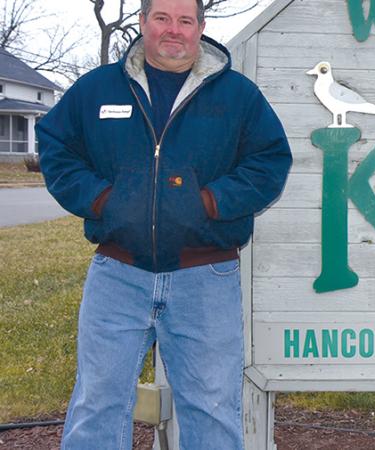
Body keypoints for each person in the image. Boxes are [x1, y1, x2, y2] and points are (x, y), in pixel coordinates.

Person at [36, 0, 291, 447]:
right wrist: (101, 199)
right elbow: (56, 146)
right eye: (162, 18)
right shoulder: (97, 89)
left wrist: (211, 201)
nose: (174, 30)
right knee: (97, 401)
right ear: (143, 23)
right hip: (118, 272)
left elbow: (269, 163)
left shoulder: (237, 95)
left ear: (200, 27)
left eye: (184, 20)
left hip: (206, 277)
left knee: (211, 407)